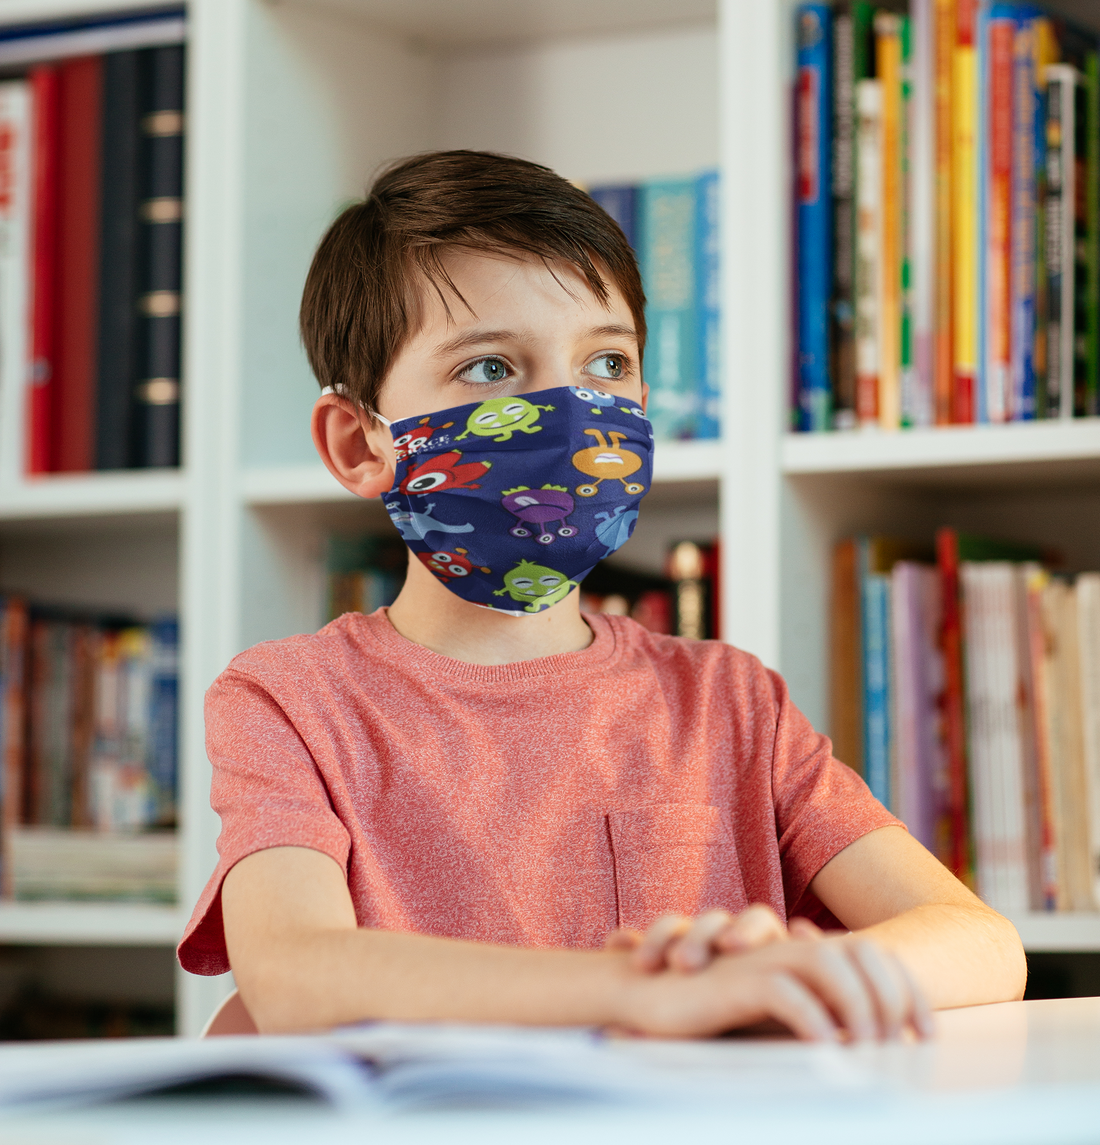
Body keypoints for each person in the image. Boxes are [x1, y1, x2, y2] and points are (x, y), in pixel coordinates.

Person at [177, 151, 1026, 1040]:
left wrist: (782, 971)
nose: (573, 410)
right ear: (359, 443)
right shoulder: (289, 700)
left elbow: (982, 944)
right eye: (490, 369)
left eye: (608, 361)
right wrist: (638, 992)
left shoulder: (733, 704)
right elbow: (293, 975)